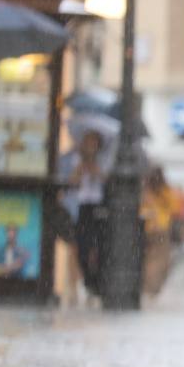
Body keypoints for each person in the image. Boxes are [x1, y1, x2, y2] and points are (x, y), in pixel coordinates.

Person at [58, 130, 111, 306]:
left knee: (97, 248)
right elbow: (66, 184)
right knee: (80, 247)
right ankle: (84, 284)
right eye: (88, 141)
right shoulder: (72, 159)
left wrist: (96, 172)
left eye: (94, 142)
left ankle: (94, 285)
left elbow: (108, 183)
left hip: (97, 209)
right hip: (78, 208)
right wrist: (79, 171)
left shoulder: (104, 161)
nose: (91, 146)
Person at [139, 165, 184, 301]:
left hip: (156, 230)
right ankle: (150, 288)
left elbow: (176, 209)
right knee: (155, 261)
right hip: (155, 230)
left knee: (156, 261)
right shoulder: (153, 192)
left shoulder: (159, 192)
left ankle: (151, 288)